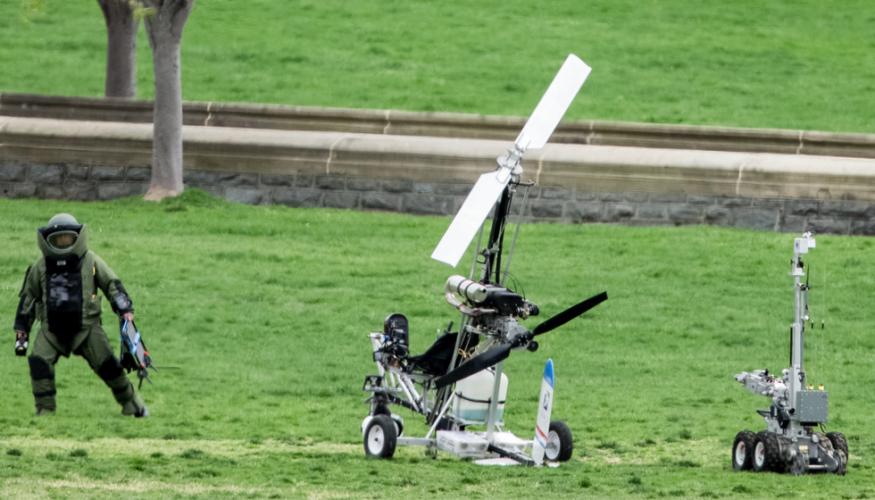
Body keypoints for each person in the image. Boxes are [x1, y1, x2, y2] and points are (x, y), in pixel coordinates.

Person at [13, 213, 148, 417]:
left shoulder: (91, 260)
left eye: (68, 238)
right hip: (51, 331)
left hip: (87, 329)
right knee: (39, 362)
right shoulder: (40, 266)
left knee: (109, 367)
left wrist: (124, 309)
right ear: (49, 240)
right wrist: (22, 330)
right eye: (58, 239)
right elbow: (28, 299)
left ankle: (133, 404)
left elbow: (112, 285)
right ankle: (45, 410)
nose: (63, 242)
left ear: (77, 237)